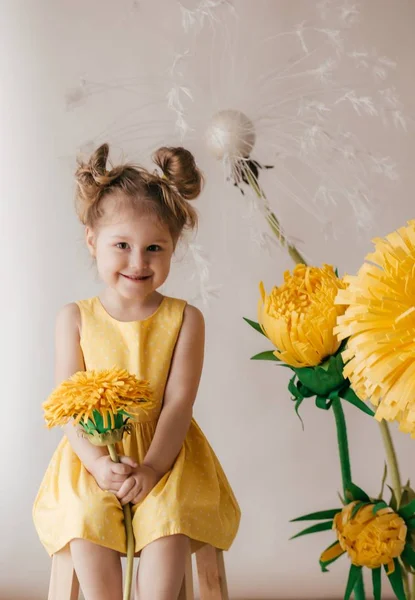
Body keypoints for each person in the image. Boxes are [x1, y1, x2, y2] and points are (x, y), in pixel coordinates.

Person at [33, 143, 240, 600]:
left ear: (173, 248)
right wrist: (96, 463)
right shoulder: (74, 318)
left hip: (167, 457)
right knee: (86, 518)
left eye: (154, 248)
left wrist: (150, 469)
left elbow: (178, 402)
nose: (138, 262)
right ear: (93, 240)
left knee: (170, 523)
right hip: (92, 458)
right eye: (122, 246)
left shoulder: (185, 319)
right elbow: (67, 406)